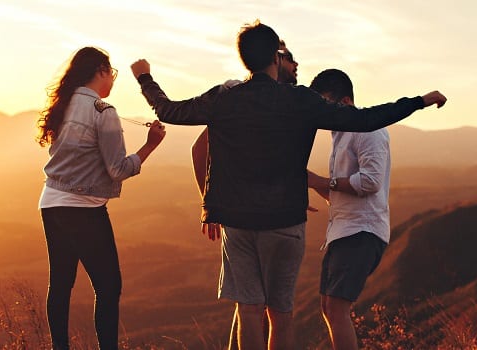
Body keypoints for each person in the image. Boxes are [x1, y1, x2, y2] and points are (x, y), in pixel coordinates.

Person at [131, 20, 446, 349]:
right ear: (276, 58)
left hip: (236, 221)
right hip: (285, 220)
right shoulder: (300, 101)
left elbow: (168, 110)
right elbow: (364, 119)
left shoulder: (224, 99)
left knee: (249, 309)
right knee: (280, 314)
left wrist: (144, 77)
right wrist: (418, 101)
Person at [36, 46, 166, 350]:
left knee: (61, 284)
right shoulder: (103, 113)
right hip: (84, 209)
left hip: (50, 202)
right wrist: (150, 146)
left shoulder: (64, 105)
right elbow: (118, 169)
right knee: (108, 287)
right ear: (101, 72)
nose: (113, 80)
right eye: (112, 73)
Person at [190, 39, 299, 350]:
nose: (295, 66)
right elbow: (200, 148)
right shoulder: (238, 95)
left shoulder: (280, 101)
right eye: (290, 59)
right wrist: (210, 204)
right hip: (248, 218)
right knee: (258, 307)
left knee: (251, 305)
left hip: (259, 215)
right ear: (275, 60)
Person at [306, 68, 391, 350]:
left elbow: (370, 182)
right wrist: (309, 181)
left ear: (343, 102)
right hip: (344, 231)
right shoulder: (340, 135)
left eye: (325, 105)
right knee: (329, 307)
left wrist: (318, 180)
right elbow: (339, 195)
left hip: (362, 231)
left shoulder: (369, 129)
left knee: (337, 306)